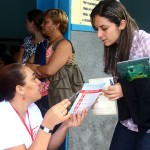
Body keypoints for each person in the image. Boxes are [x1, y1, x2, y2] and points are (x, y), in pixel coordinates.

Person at [91, 0, 150, 150]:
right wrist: (101, 95)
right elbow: (120, 85)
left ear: (122, 24)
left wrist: (124, 88)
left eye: (104, 28)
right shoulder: (113, 50)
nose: (99, 35)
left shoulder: (145, 42)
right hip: (128, 120)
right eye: (96, 29)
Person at [0, 63, 87, 150]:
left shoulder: (32, 108)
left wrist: (65, 125)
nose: (39, 82)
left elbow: (47, 146)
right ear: (20, 89)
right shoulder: (3, 117)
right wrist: (47, 125)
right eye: (33, 78)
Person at [28, 9, 84, 115]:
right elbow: (26, 65)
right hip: (40, 94)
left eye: (46, 22)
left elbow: (49, 70)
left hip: (57, 95)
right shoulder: (44, 44)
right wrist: (39, 68)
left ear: (57, 24)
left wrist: (35, 68)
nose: (42, 25)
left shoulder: (64, 44)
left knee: (54, 128)